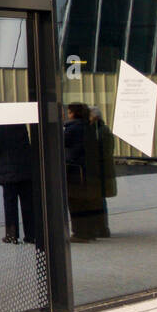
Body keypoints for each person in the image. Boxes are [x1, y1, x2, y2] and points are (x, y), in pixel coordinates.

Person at [0, 122, 36, 244]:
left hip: (8, 168)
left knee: (10, 204)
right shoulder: (19, 123)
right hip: (25, 166)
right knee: (28, 203)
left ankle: (12, 235)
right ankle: (31, 234)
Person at [64, 102, 105, 241]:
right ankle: (89, 231)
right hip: (87, 171)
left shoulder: (73, 128)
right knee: (86, 202)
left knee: (75, 203)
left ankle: (79, 233)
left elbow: (60, 142)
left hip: (75, 170)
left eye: (69, 112)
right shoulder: (89, 127)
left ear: (74, 113)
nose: (67, 115)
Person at [89, 105, 117, 238]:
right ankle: (101, 227)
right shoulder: (101, 130)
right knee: (99, 200)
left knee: (98, 200)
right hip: (102, 172)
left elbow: (103, 153)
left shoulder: (101, 131)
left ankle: (101, 228)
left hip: (100, 173)